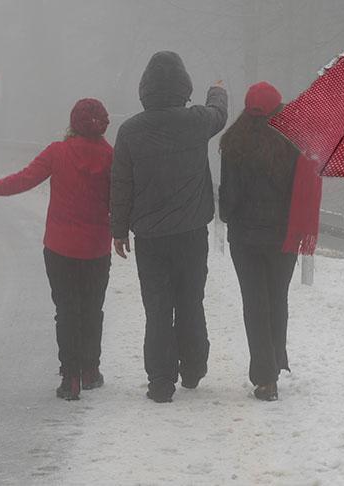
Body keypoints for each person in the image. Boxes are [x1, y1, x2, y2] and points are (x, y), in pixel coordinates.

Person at [0, 99, 113, 401]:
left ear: (72, 123)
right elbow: (123, 196)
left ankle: (70, 377)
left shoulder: (57, 153)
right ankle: (90, 370)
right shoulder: (111, 157)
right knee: (91, 310)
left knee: (66, 311)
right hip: (97, 248)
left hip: (60, 248)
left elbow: (25, 179)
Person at [109, 51, 227, 403]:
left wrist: (118, 230)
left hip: (150, 237)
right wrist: (216, 89)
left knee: (157, 306)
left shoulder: (129, 131)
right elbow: (219, 112)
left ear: (144, 89)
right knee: (191, 299)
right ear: (183, 87)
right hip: (192, 233)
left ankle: (160, 381)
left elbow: (121, 184)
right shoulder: (196, 121)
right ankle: (193, 367)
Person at [218, 81, 321, 401]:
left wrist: (227, 212)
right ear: (279, 108)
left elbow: (229, 198)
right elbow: (301, 190)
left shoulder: (234, 142)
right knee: (277, 299)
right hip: (282, 236)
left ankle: (265, 378)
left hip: (245, 239)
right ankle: (273, 364)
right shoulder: (294, 141)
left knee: (255, 303)